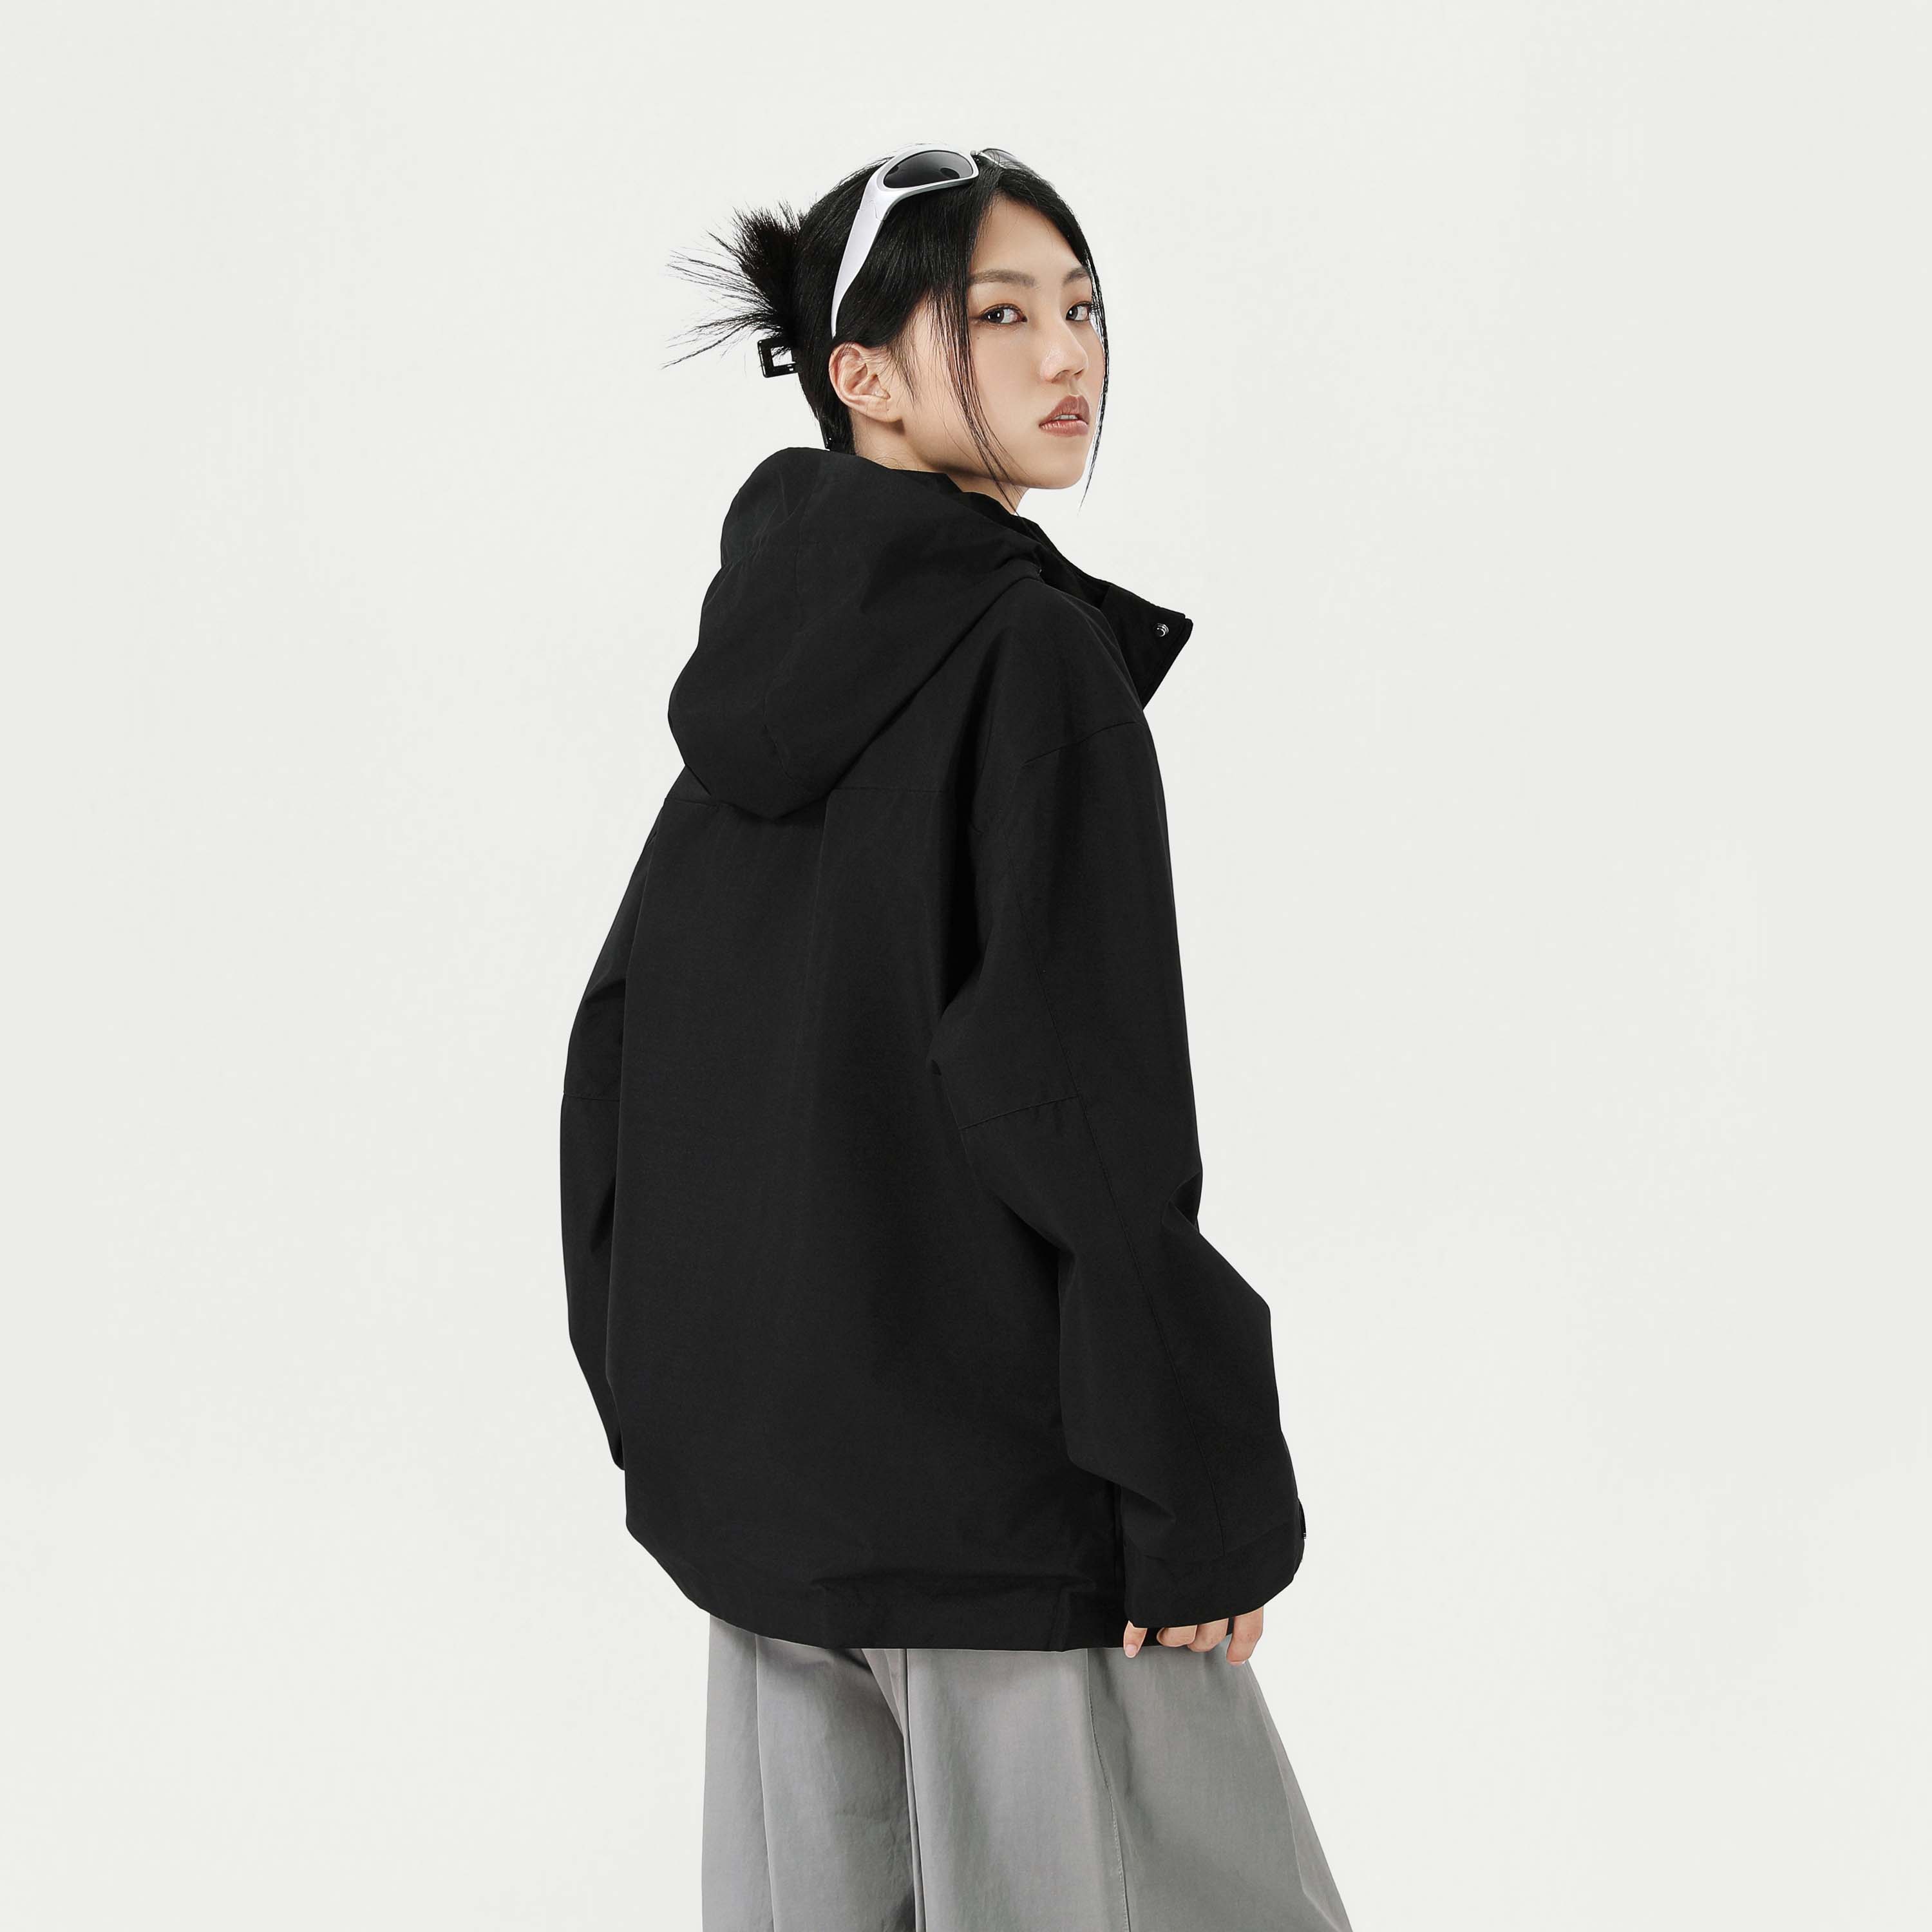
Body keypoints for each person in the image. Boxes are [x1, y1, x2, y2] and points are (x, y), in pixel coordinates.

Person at [560, 144, 1354, 1930]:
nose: (1068, 355)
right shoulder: (1027, 660)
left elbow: (619, 1058)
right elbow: (1074, 1103)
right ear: (860, 373)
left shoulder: (753, 676)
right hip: (1007, 1512)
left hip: (771, 1522)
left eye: (1082, 306)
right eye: (998, 315)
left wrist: (676, 1421)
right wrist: (1200, 1491)